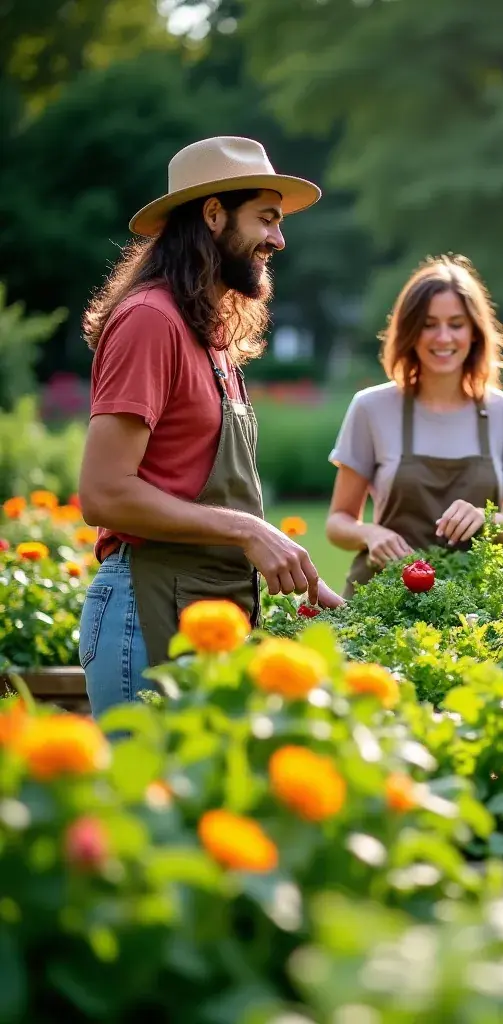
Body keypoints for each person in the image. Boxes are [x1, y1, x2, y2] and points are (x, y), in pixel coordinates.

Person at [78, 136, 344, 718]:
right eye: (267, 219)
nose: (279, 238)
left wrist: (288, 566)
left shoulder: (211, 335)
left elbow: (197, 481)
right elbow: (102, 494)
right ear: (214, 214)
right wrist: (246, 529)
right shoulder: (151, 321)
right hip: (146, 613)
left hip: (206, 612)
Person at [326, 255, 503, 594]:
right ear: (410, 332)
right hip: (384, 596)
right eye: (429, 324)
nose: (443, 337)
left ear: (475, 332)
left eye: (456, 324)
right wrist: (371, 533)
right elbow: (337, 521)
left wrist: (487, 520)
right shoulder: (371, 408)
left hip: (476, 605)